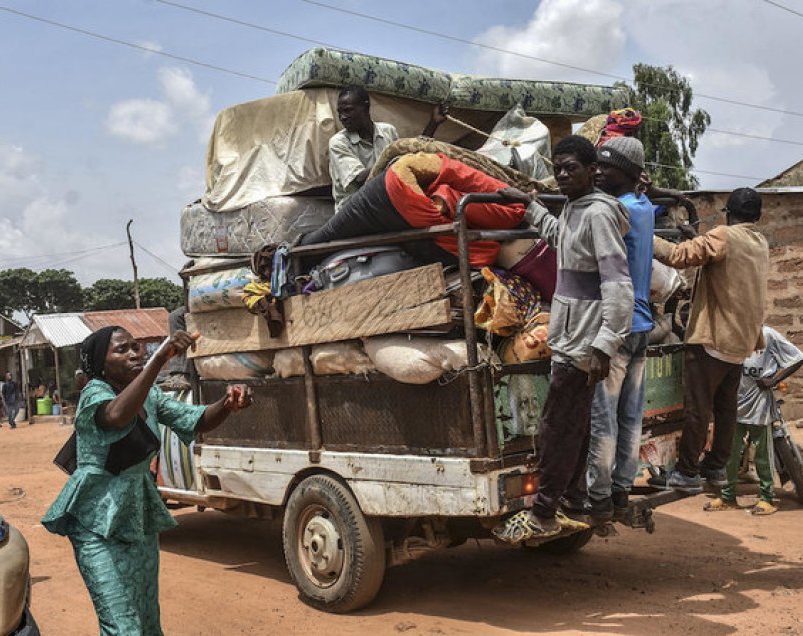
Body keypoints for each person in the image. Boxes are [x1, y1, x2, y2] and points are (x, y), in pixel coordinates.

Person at [42, 326, 252, 635]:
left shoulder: (150, 395)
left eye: (135, 347)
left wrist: (227, 404)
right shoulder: (94, 393)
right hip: (96, 524)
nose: (133, 354)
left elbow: (194, 419)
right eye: (121, 350)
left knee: (147, 620)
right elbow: (116, 416)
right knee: (122, 626)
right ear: (101, 363)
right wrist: (158, 360)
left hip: (137, 516)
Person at [494, 135, 634, 541]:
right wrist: (529, 204)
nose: (562, 175)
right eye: (557, 169)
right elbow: (560, 239)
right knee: (575, 424)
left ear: (593, 171)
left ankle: (542, 512)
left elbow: (618, 284)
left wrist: (605, 344)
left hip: (585, 343)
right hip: (572, 337)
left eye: (570, 167)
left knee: (558, 426)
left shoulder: (599, 216)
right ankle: (573, 498)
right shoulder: (576, 209)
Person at [650, 187, 769, 493]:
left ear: (728, 214)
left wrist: (642, 234)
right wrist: (696, 235)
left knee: (697, 408)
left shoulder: (724, 236)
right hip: (740, 341)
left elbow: (678, 256)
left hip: (713, 337)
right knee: (726, 409)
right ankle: (715, 467)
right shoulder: (758, 241)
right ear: (757, 216)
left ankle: (688, 471)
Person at [585, 136, 655, 524]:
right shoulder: (642, 207)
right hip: (643, 323)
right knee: (631, 413)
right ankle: (621, 489)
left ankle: (598, 494)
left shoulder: (615, 212)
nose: (598, 172)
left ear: (626, 173)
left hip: (618, 326)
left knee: (604, 416)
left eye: (605, 167)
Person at [303, 151, 527, 270]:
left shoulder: (498, 191)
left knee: (330, 236)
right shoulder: (514, 209)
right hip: (402, 188)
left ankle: (296, 254)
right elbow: (452, 198)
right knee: (479, 254)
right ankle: (294, 257)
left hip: (399, 183)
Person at [704, 326, 803, 515]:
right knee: (729, 454)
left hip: (759, 406)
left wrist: (773, 380)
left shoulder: (768, 335)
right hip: (733, 405)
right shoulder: (729, 334)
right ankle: (727, 496)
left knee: (762, 455)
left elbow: (797, 358)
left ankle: (767, 498)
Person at [329, 85, 447, 210]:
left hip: (384, 200)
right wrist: (393, 160)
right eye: (340, 113)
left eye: (348, 110)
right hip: (354, 208)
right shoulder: (338, 142)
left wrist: (433, 123)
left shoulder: (388, 131)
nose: (342, 117)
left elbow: (407, 155)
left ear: (366, 107)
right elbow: (359, 180)